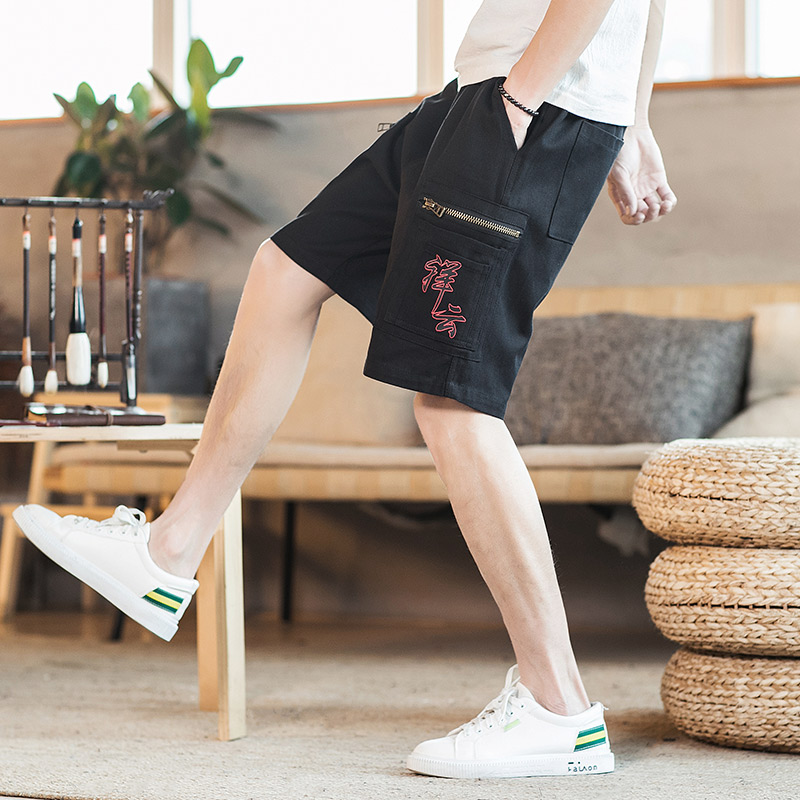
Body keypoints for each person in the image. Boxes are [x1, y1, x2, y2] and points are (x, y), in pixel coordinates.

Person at [14, 0, 676, 779]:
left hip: (528, 104)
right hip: (482, 93)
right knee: (286, 270)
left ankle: (560, 708)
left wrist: (530, 99)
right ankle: (169, 551)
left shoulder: (524, 101)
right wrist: (632, 117)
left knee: (451, 401)